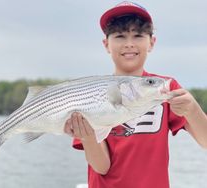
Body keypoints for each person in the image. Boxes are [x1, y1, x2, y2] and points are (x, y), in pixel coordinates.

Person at [64, 1, 207, 188]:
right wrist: (88, 137)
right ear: (106, 44)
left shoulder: (165, 87)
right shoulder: (90, 94)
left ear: (151, 43)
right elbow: (102, 167)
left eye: (138, 35)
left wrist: (192, 110)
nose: (129, 44)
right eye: (120, 36)